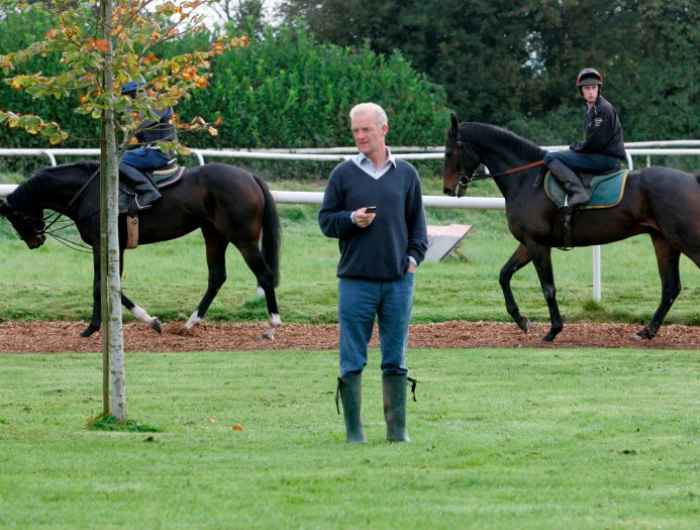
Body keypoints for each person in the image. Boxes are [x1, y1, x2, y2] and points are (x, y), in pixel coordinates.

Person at [319, 102, 428, 443]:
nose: (360, 136)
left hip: (398, 282)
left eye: (366, 129)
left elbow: (418, 229)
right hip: (356, 282)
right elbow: (326, 221)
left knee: (395, 357)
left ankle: (398, 432)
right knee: (352, 357)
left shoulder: (407, 174)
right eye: (355, 131)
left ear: (384, 129)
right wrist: (351, 219)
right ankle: (355, 433)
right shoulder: (343, 174)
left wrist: (412, 260)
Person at [543, 67, 626, 244]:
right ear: (582, 91)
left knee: (551, 158)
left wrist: (576, 148)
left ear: (598, 89)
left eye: (594, 88)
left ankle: (578, 191)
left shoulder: (602, 109)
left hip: (605, 159)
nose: (591, 92)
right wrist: (578, 148)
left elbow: (596, 142)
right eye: (587, 89)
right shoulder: (592, 109)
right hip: (601, 155)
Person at [119, 80, 177, 209]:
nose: (130, 99)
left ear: (142, 91)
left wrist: (126, 112)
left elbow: (139, 125)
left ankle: (149, 192)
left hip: (160, 153)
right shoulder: (142, 108)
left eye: (132, 95)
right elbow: (135, 138)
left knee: (117, 161)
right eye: (127, 96)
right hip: (149, 151)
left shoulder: (159, 104)